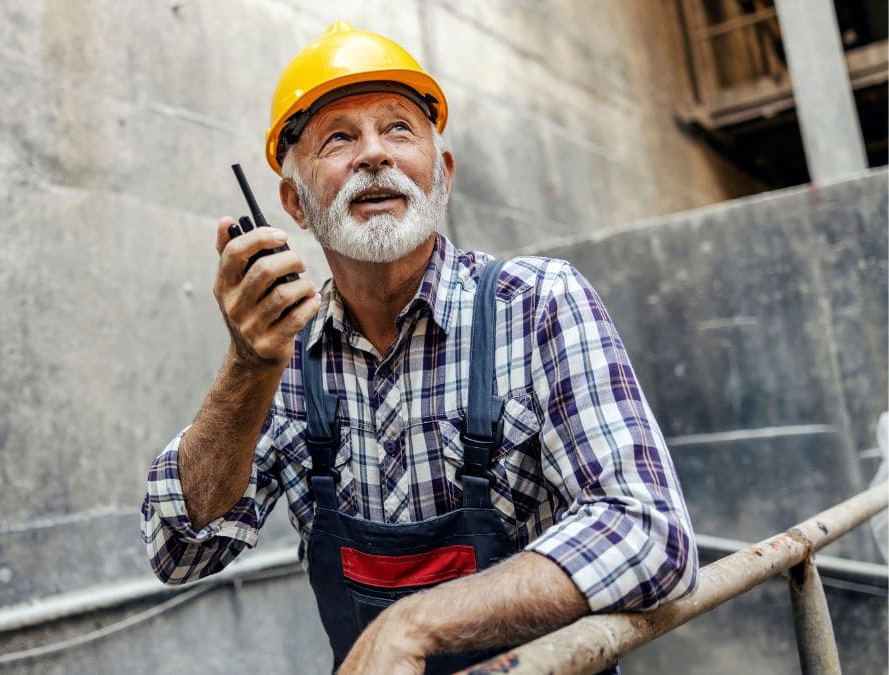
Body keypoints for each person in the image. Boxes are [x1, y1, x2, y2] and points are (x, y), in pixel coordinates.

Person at [141, 21, 697, 674]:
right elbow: (179, 547)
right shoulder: (284, 360)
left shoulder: (541, 304)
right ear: (294, 201)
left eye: (399, 129)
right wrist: (248, 366)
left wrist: (416, 623)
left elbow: (651, 532)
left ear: (443, 173)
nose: (374, 155)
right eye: (339, 137)